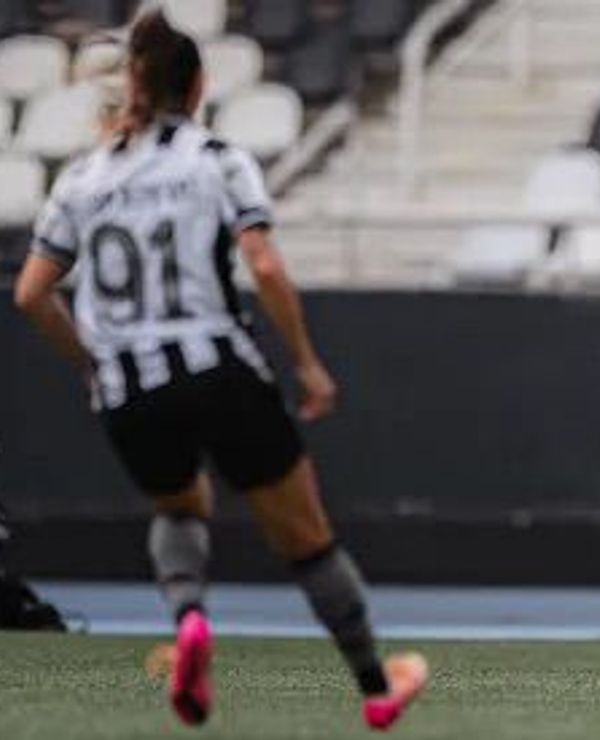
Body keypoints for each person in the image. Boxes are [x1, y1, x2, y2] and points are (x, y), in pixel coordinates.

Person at [12, 11, 427, 729]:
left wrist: (95, 363)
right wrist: (306, 362)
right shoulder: (215, 159)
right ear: (199, 86)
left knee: (179, 509)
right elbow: (261, 264)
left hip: (129, 388)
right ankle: (374, 683)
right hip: (216, 366)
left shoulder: (82, 179)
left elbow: (30, 294)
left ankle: (190, 622)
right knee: (306, 538)